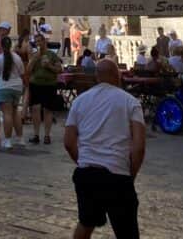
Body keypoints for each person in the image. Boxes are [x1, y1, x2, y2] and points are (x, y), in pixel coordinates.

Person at [64, 59, 145, 239]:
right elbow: (139, 147)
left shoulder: (79, 102)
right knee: (127, 232)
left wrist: (85, 161)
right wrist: (130, 174)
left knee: (86, 223)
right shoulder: (130, 102)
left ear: (96, 77)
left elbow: (69, 142)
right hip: (117, 173)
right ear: (117, 76)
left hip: (87, 174)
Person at [27, 30, 62, 145]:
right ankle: (36, 134)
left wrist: (49, 66)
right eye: (36, 42)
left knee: (48, 110)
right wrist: (35, 59)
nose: (38, 44)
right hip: (36, 84)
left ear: (44, 42)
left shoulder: (52, 55)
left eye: (39, 41)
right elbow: (28, 70)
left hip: (49, 85)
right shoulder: (34, 55)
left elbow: (59, 69)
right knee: (35, 109)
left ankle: (47, 135)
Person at [0, 35, 25, 150]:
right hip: (16, 87)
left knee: (7, 114)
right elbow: (22, 73)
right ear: (10, 45)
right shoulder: (17, 58)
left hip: (3, 87)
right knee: (15, 112)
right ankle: (20, 138)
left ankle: (8, 140)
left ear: (1, 45)